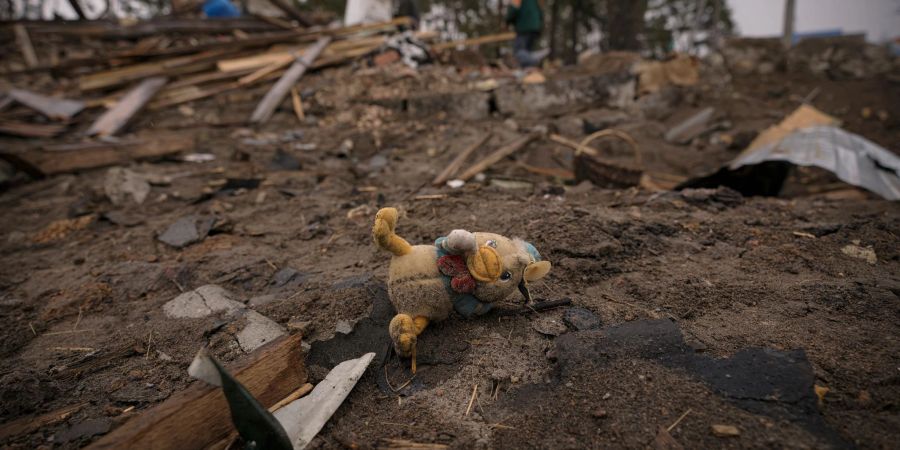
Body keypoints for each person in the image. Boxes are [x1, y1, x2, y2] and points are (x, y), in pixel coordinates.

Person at [505, 0, 548, 68]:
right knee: (527, 49)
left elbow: (513, 10)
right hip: (535, 27)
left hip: (524, 27)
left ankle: (533, 58)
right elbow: (540, 13)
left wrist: (507, 22)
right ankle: (528, 66)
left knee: (519, 51)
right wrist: (539, 26)